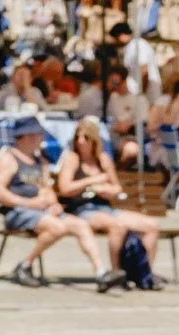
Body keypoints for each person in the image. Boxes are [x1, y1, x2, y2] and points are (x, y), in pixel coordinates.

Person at [0, 111, 110, 282]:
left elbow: (47, 187)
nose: (42, 137)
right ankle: (25, 265)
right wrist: (27, 203)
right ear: (28, 136)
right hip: (17, 211)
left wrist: (53, 203)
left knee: (80, 224)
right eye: (39, 134)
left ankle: (101, 272)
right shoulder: (8, 159)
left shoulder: (40, 160)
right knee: (57, 227)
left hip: (42, 210)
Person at [54, 115, 160, 287]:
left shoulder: (103, 159)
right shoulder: (72, 158)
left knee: (151, 226)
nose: (81, 142)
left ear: (94, 140)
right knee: (117, 226)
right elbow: (65, 188)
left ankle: (144, 272)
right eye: (78, 137)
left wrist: (106, 191)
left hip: (105, 206)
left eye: (86, 138)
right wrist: (91, 181)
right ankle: (116, 272)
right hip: (83, 209)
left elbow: (116, 188)